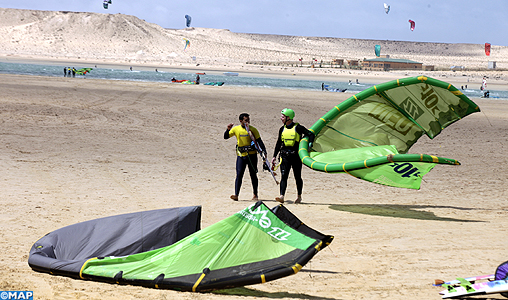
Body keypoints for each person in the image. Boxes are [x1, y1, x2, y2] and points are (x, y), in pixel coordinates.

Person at [271, 108, 314, 204]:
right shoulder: (282, 129)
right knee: (284, 176)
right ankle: (281, 196)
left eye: (283, 116)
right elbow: (279, 143)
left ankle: (299, 196)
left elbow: (311, 134)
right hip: (284, 156)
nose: (281, 118)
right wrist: (274, 156)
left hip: (296, 156)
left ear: (288, 117)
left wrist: (310, 144)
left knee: (297, 177)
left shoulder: (298, 128)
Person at [224, 113, 267, 201]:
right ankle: (236, 194)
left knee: (253, 174)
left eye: (248, 120)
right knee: (239, 175)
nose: (248, 122)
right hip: (241, 156)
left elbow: (259, 141)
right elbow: (226, 137)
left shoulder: (253, 129)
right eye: (246, 120)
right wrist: (227, 129)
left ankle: (255, 194)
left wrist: (264, 152)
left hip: (252, 155)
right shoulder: (236, 129)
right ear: (241, 121)